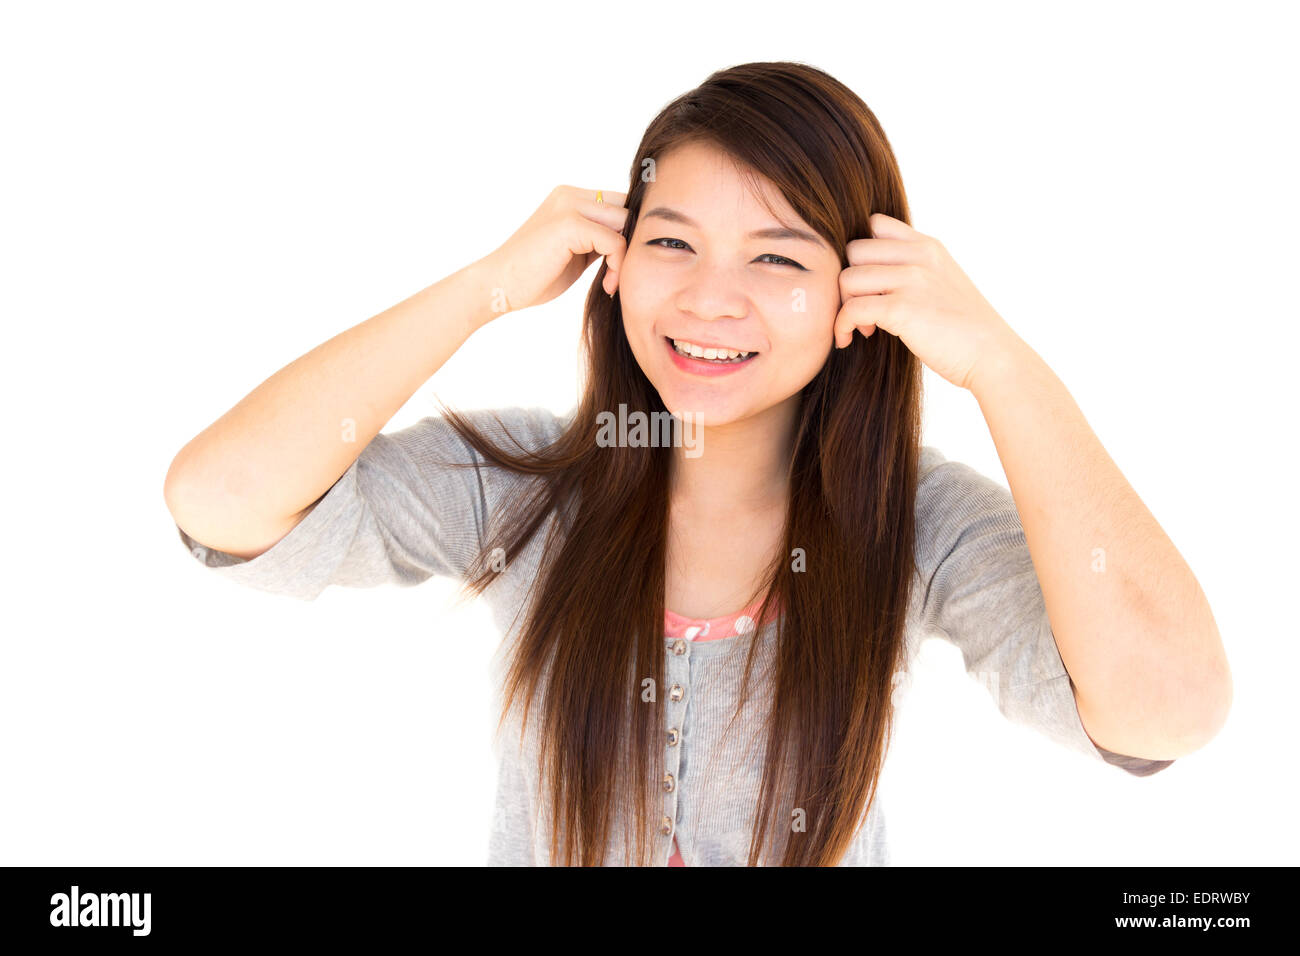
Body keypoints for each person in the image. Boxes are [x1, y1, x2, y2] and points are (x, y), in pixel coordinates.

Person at [164, 61, 1230, 866]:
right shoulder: (534, 491)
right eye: (671, 242)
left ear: (862, 286)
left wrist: (1001, 362)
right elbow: (221, 499)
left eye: (776, 257)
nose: (710, 298)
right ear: (614, 262)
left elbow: (1168, 705)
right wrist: (490, 282)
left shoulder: (916, 523)